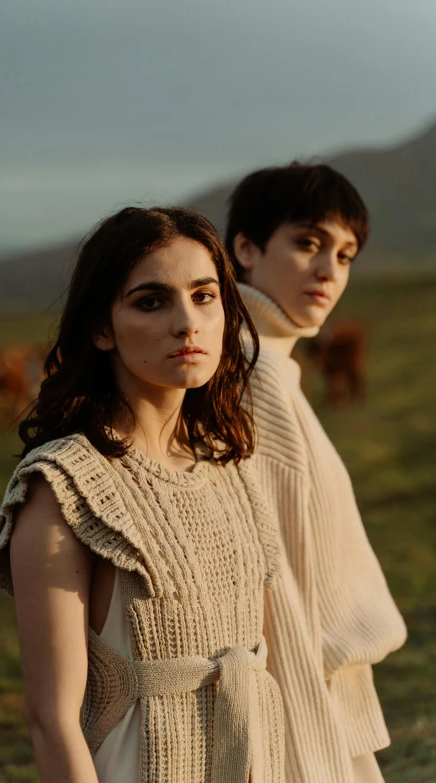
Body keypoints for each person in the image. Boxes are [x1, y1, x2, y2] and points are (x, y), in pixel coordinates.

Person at [0, 206, 287, 783]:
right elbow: (51, 719)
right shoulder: (62, 485)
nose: (187, 322)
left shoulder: (232, 466)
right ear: (102, 328)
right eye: (151, 301)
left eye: (204, 296)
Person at [226, 163, 407, 783]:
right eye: (308, 243)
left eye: (346, 254)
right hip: (305, 701)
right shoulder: (256, 376)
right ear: (245, 248)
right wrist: (311, 738)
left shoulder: (265, 363)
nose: (330, 271)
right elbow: (278, 585)